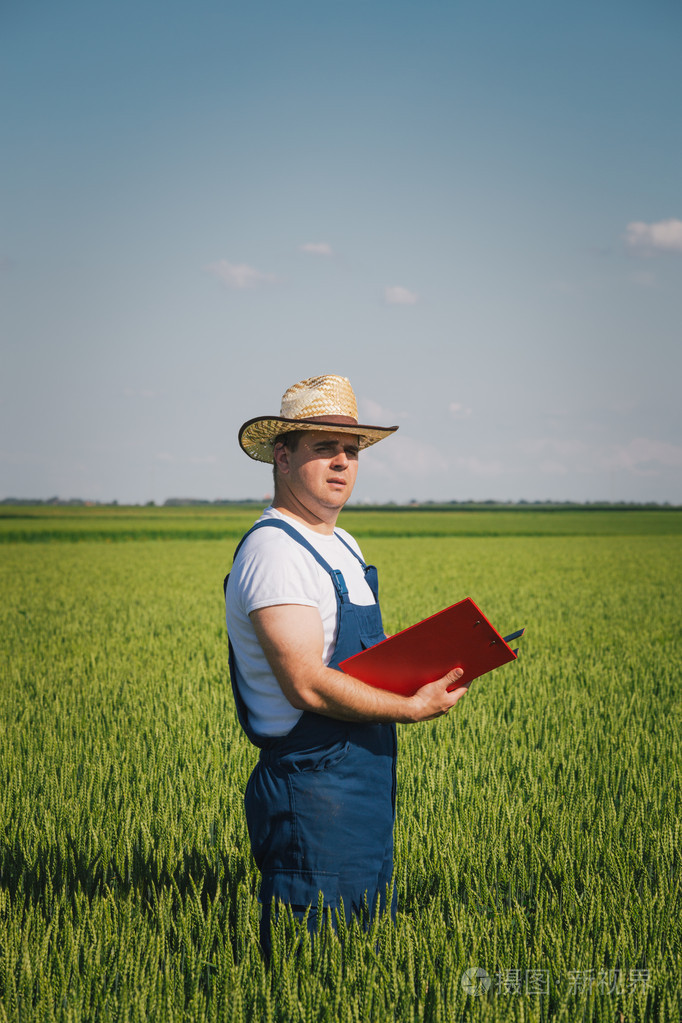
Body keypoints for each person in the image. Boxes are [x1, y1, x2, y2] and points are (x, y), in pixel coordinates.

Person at [224, 374, 470, 956]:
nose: (342, 462)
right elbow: (307, 685)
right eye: (324, 448)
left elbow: (359, 660)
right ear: (283, 457)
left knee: (361, 961)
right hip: (311, 786)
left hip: (364, 779)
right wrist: (410, 706)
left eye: (351, 450)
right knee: (312, 963)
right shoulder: (275, 551)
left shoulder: (344, 544)